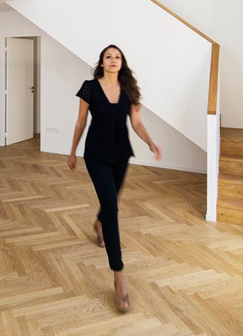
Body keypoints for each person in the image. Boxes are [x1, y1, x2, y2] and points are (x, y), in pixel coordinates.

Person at [68, 44, 162, 314]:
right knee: (112, 208)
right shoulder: (89, 88)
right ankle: (118, 275)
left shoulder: (129, 89)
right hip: (96, 154)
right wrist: (72, 152)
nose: (113, 60)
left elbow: (137, 122)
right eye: (108, 56)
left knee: (111, 202)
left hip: (121, 154)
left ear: (122, 62)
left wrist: (150, 142)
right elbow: (80, 121)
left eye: (117, 57)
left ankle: (99, 222)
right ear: (102, 62)